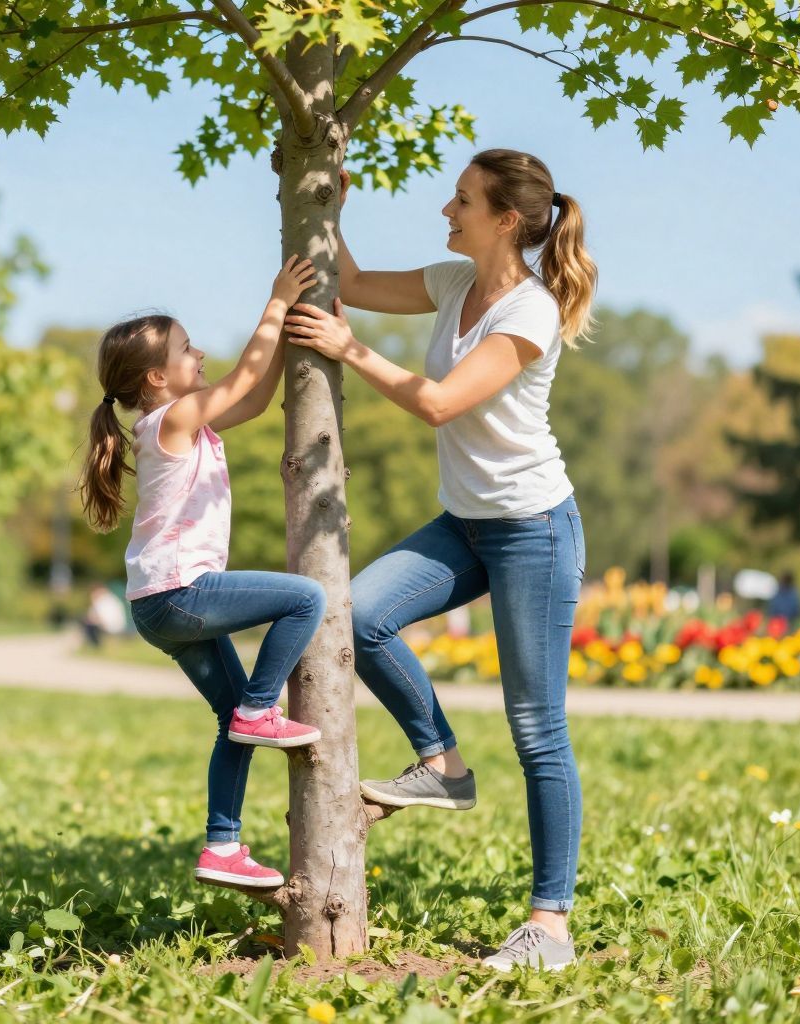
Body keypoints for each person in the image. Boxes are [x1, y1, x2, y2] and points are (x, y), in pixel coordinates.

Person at [286, 151, 596, 971]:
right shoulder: (453, 283)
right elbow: (349, 282)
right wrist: (329, 208)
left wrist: (350, 352)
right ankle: (441, 762)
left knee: (537, 728)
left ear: (505, 220)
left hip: (534, 528)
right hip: (466, 524)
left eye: (461, 200)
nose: (445, 210)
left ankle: (549, 926)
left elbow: (439, 402)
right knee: (357, 612)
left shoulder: (529, 312)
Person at [79, 255, 326, 890]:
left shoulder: (191, 423)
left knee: (230, 723)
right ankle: (262, 708)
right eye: (188, 350)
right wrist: (276, 301)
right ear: (158, 377)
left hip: (158, 607)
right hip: (182, 592)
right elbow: (244, 373)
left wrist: (300, 331)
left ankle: (223, 846)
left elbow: (259, 390)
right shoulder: (172, 419)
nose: (201, 354)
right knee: (304, 598)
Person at [80, 583, 128, 648]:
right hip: (115, 625)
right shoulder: (109, 598)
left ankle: (96, 645)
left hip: (112, 626)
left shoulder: (104, 600)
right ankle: (94, 644)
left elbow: (98, 618)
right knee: (88, 623)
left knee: (88, 624)